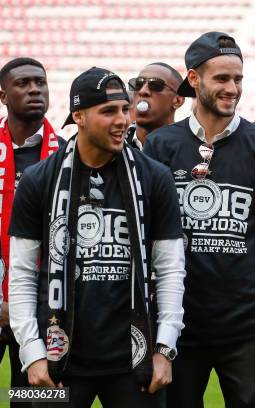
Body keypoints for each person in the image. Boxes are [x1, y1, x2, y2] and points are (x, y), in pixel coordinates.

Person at [8, 67, 185, 407]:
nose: (123, 120)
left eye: (124, 109)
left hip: (135, 359)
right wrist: (31, 354)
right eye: (108, 111)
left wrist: (164, 348)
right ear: (79, 116)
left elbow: (171, 270)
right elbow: (23, 275)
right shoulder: (37, 179)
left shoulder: (155, 177)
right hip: (59, 358)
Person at [143, 32, 255, 407]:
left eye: (238, 79)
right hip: (179, 327)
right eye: (221, 79)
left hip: (246, 329)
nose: (232, 88)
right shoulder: (161, 146)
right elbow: (150, 240)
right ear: (194, 80)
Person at [0, 57, 61, 404]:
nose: (34, 89)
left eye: (40, 82)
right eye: (23, 83)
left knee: (38, 400)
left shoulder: (68, 156)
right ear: (3, 95)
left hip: (43, 310)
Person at [126, 62, 185, 149]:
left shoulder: (189, 147)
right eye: (138, 84)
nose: (142, 91)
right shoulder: (115, 143)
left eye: (155, 85)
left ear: (178, 100)